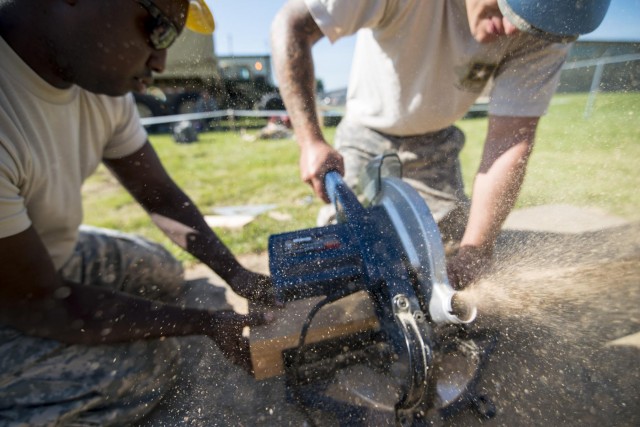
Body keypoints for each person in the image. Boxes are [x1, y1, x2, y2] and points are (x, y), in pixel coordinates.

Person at [0, 0, 276, 424]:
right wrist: (201, 322)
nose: (162, 61)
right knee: (139, 368)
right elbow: (40, 305)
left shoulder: (97, 84)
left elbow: (160, 196)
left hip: (43, 258)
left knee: (161, 270)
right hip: (17, 298)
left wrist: (236, 274)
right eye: (160, 30)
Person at [271, 0, 611, 289]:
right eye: (507, 10)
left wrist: (476, 252)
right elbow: (292, 25)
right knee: (347, 253)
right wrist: (310, 140)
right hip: (365, 135)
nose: (512, 32)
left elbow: (509, 141)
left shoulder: (551, 28)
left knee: (445, 242)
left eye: (531, 27)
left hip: (436, 145)